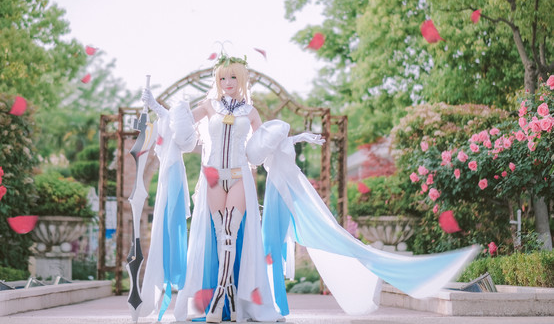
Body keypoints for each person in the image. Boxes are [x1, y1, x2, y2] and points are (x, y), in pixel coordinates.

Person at [137, 54, 478, 323]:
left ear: (241, 81)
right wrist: (153, 104)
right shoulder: (208, 107)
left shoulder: (251, 111)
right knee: (217, 234)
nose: (227, 83)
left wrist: (297, 137)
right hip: (213, 175)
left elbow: (265, 145)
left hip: (239, 175)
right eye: (223, 78)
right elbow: (177, 125)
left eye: (233, 78)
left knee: (230, 232)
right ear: (218, 82)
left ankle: (223, 300)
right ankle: (219, 299)